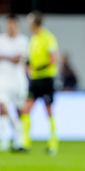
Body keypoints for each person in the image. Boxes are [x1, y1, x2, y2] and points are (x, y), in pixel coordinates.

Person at [0, 15, 29, 151]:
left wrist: (2, 57)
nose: (10, 26)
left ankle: (18, 140)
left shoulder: (23, 40)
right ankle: (4, 138)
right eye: (8, 24)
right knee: (2, 107)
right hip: (1, 80)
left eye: (13, 24)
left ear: (17, 25)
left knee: (19, 109)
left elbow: (19, 59)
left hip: (18, 80)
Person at [20, 11, 60, 155]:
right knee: (26, 109)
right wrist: (28, 65)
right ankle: (25, 142)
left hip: (46, 78)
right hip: (35, 79)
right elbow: (31, 59)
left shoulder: (47, 38)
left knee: (48, 111)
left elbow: (53, 58)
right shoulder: (34, 39)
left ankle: (53, 143)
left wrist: (37, 67)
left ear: (34, 23)